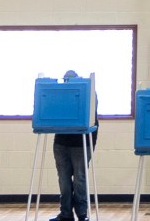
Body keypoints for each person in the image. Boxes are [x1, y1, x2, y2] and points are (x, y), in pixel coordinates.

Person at [51, 74, 98, 221]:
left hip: (81, 143)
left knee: (80, 180)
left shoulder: (89, 92)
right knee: (64, 180)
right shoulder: (60, 94)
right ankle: (66, 213)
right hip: (61, 142)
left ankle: (82, 214)